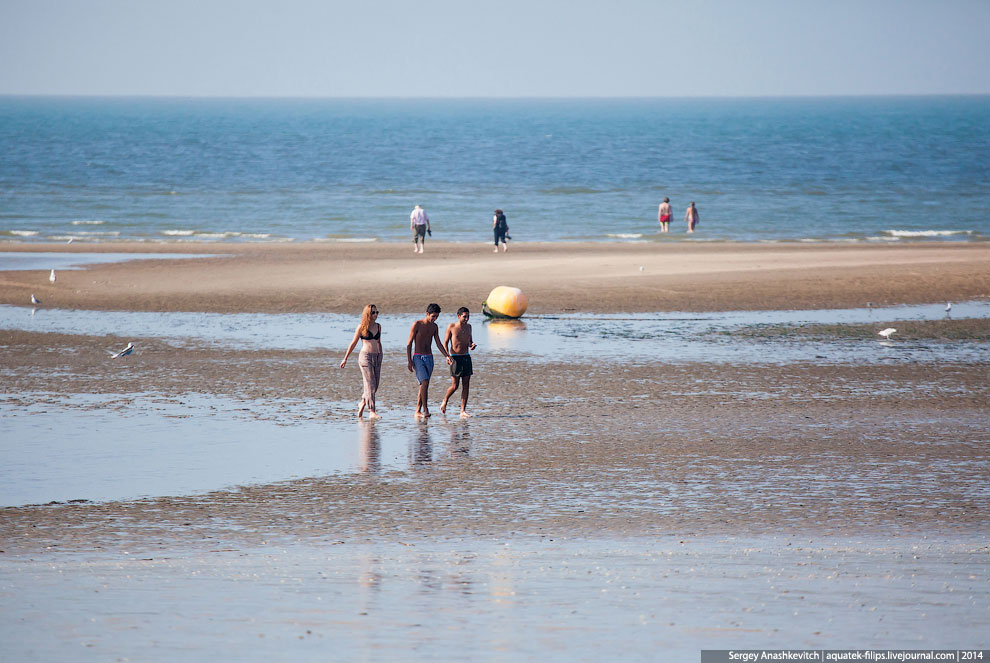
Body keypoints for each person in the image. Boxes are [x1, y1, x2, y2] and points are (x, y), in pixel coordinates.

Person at [406, 303, 452, 418]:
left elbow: (438, 342)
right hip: (418, 357)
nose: (435, 319)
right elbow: (409, 343)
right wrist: (409, 361)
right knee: (424, 382)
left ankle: (417, 410)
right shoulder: (417, 324)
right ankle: (426, 410)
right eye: (433, 316)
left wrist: (447, 355)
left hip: (429, 358)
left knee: (424, 385)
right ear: (427, 314)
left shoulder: (434, 327)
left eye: (437, 316)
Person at [339, 304, 383, 419]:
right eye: (373, 312)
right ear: (368, 314)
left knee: (375, 385)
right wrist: (345, 358)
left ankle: (363, 402)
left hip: (377, 356)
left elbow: (378, 342)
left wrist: (381, 355)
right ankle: (372, 411)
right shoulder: (361, 327)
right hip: (365, 357)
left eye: (377, 312)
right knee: (370, 384)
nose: (376, 314)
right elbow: (353, 343)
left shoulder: (378, 327)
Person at [440, 307, 477, 417]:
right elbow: (445, 343)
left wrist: (472, 345)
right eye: (464, 317)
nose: (466, 319)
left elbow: (470, 341)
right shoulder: (452, 327)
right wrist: (447, 356)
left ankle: (463, 411)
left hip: (466, 357)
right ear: (458, 316)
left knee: (466, 385)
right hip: (455, 358)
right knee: (455, 385)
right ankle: (445, 400)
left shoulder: (469, 327)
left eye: (468, 317)